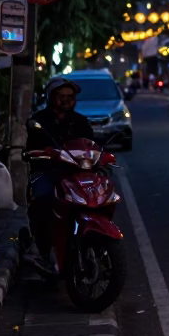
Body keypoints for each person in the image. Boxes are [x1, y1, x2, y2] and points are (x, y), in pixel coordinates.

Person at [26, 78, 96, 270]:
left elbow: (92, 145)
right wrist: (42, 153)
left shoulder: (80, 122)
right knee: (43, 202)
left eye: (70, 97)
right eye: (61, 96)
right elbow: (30, 148)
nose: (66, 100)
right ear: (51, 97)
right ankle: (43, 252)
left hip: (75, 174)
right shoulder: (39, 121)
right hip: (46, 173)